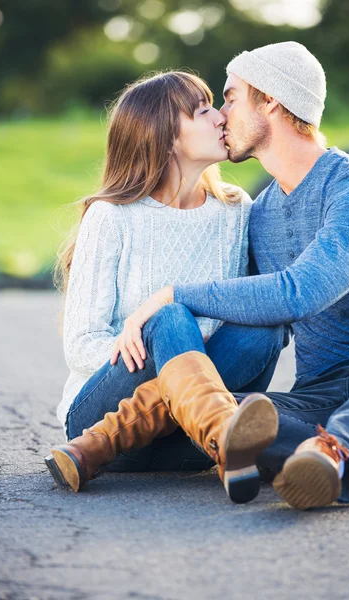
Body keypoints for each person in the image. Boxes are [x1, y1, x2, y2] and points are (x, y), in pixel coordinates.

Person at [102, 42, 349, 510]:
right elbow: (254, 308)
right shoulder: (262, 213)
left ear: (272, 100)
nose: (220, 113)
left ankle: (342, 454)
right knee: (216, 415)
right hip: (318, 399)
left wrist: (175, 294)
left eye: (231, 96)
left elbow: (301, 293)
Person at [45, 70, 285, 504]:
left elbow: (251, 312)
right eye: (203, 109)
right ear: (167, 137)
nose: (222, 117)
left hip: (183, 443)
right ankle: (225, 435)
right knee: (170, 316)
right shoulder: (113, 217)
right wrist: (160, 345)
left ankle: (221, 434)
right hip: (102, 415)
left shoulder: (235, 211)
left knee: (265, 326)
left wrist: (182, 360)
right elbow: (80, 344)